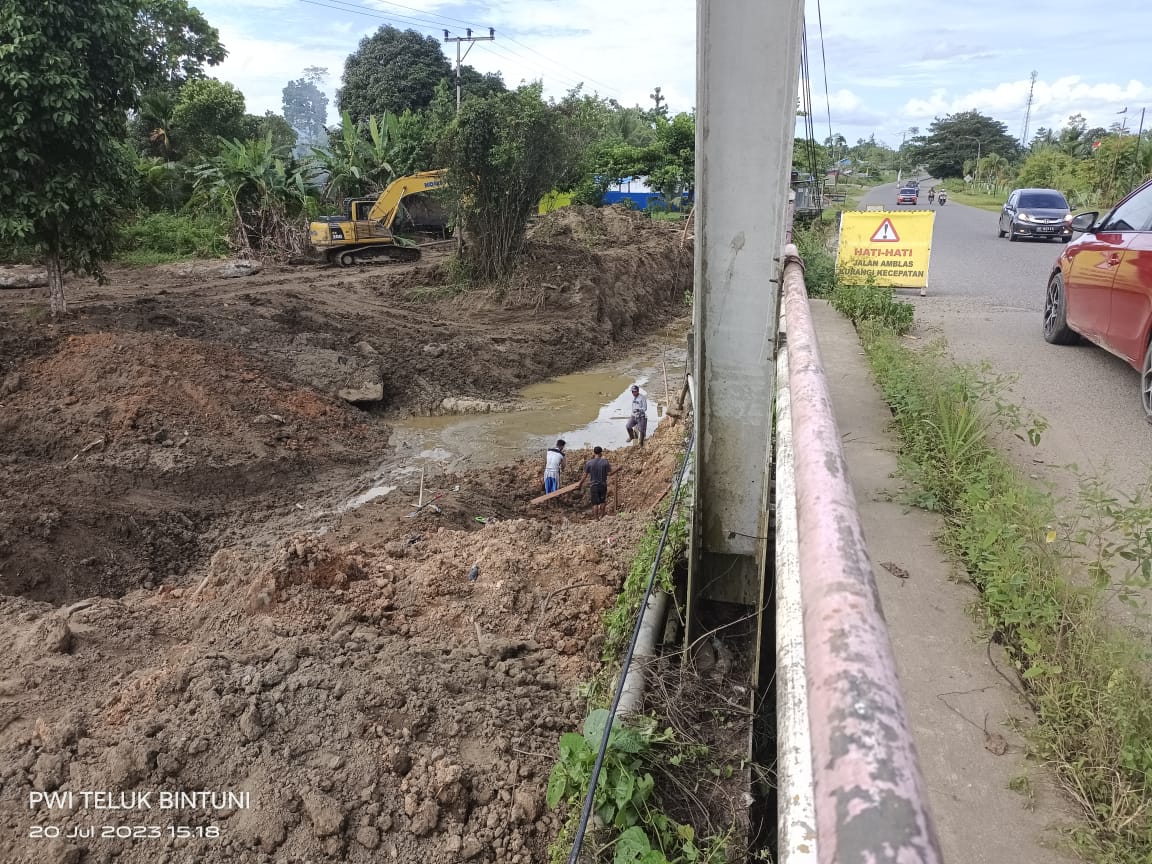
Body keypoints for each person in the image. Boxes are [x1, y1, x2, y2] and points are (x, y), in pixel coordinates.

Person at [577, 446, 612, 520]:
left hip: (593, 485)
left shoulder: (589, 463)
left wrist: (580, 483)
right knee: (602, 501)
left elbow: (585, 475)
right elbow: (609, 473)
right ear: (601, 453)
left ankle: (596, 518)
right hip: (603, 484)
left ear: (594, 453)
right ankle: (602, 516)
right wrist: (618, 469)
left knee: (595, 503)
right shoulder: (605, 462)